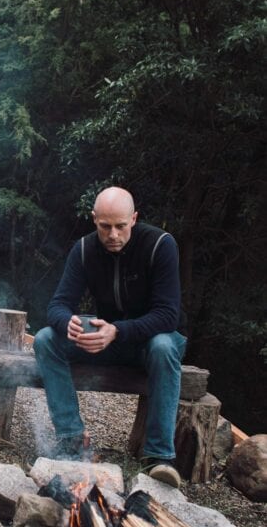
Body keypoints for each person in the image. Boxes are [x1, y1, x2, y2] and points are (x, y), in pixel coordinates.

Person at [33, 186, 186, 487]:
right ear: (94, 220)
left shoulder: (160, 245)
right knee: (44, 339)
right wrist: (69, 324)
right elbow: (58, 305)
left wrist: (119, 330)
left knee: (163, 345)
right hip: (110, 341)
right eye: (105, 226)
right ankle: (72, 437)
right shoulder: (85, 249)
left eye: (121, 226)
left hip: (151, 343)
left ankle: (159, 457)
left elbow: (168, 315)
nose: (113, 234)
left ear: (134, 219)